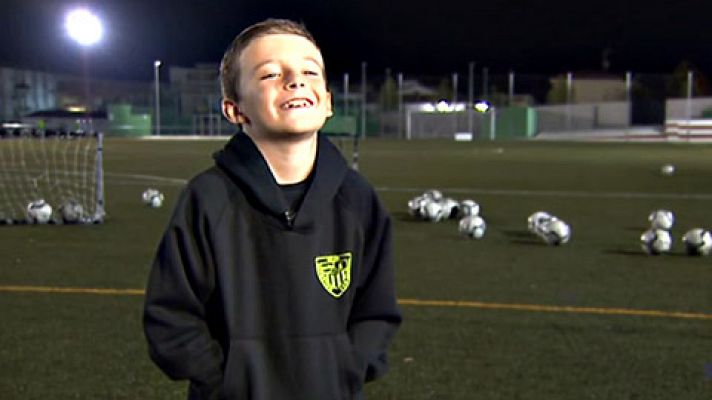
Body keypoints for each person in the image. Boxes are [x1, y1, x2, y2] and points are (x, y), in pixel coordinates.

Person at [143, 18, 402, 400]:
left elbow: (376, 312)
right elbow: (170, 314)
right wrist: (226, 382)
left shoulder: (357, 198)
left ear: (327, 101)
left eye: (309, 71)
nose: (295, 81)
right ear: (235, 109)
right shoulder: (210, 198)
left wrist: (345, 368)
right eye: (269, 75)